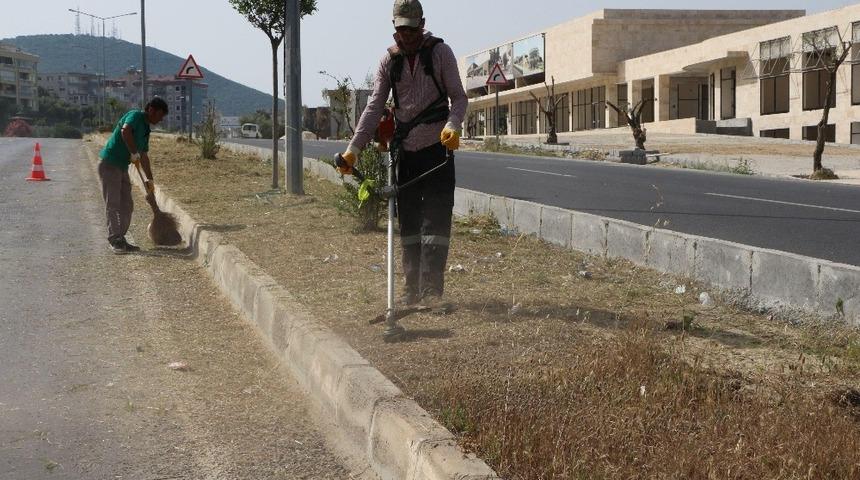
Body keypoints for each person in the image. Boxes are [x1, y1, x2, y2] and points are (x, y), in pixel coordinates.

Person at [338, 0, 467, 312]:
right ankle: (411, 290)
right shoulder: (389, 61)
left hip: (438, 152)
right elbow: (374, 107)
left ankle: (432, 292)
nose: (406, 35)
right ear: (394, 28)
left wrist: (452, 126)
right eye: (401, 29)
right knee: (408, 225)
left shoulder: (440, 53)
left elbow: (459, 98)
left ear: (422, 24)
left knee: (435, 225)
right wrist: (353, 150)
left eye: (412, 28)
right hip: (405, 154)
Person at [98, 97, 168, 254]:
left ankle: (120, 238)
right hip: (110, 163)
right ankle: (115, 239)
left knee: (127, 205)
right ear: (151, 110)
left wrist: (150, 180)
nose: (161, 119)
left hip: (122, 166)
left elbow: (143, 156)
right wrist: (133, 152)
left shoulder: (146, 129)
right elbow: (125, 130)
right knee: (113, 204)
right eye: (160, 115)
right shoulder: (135, 116)